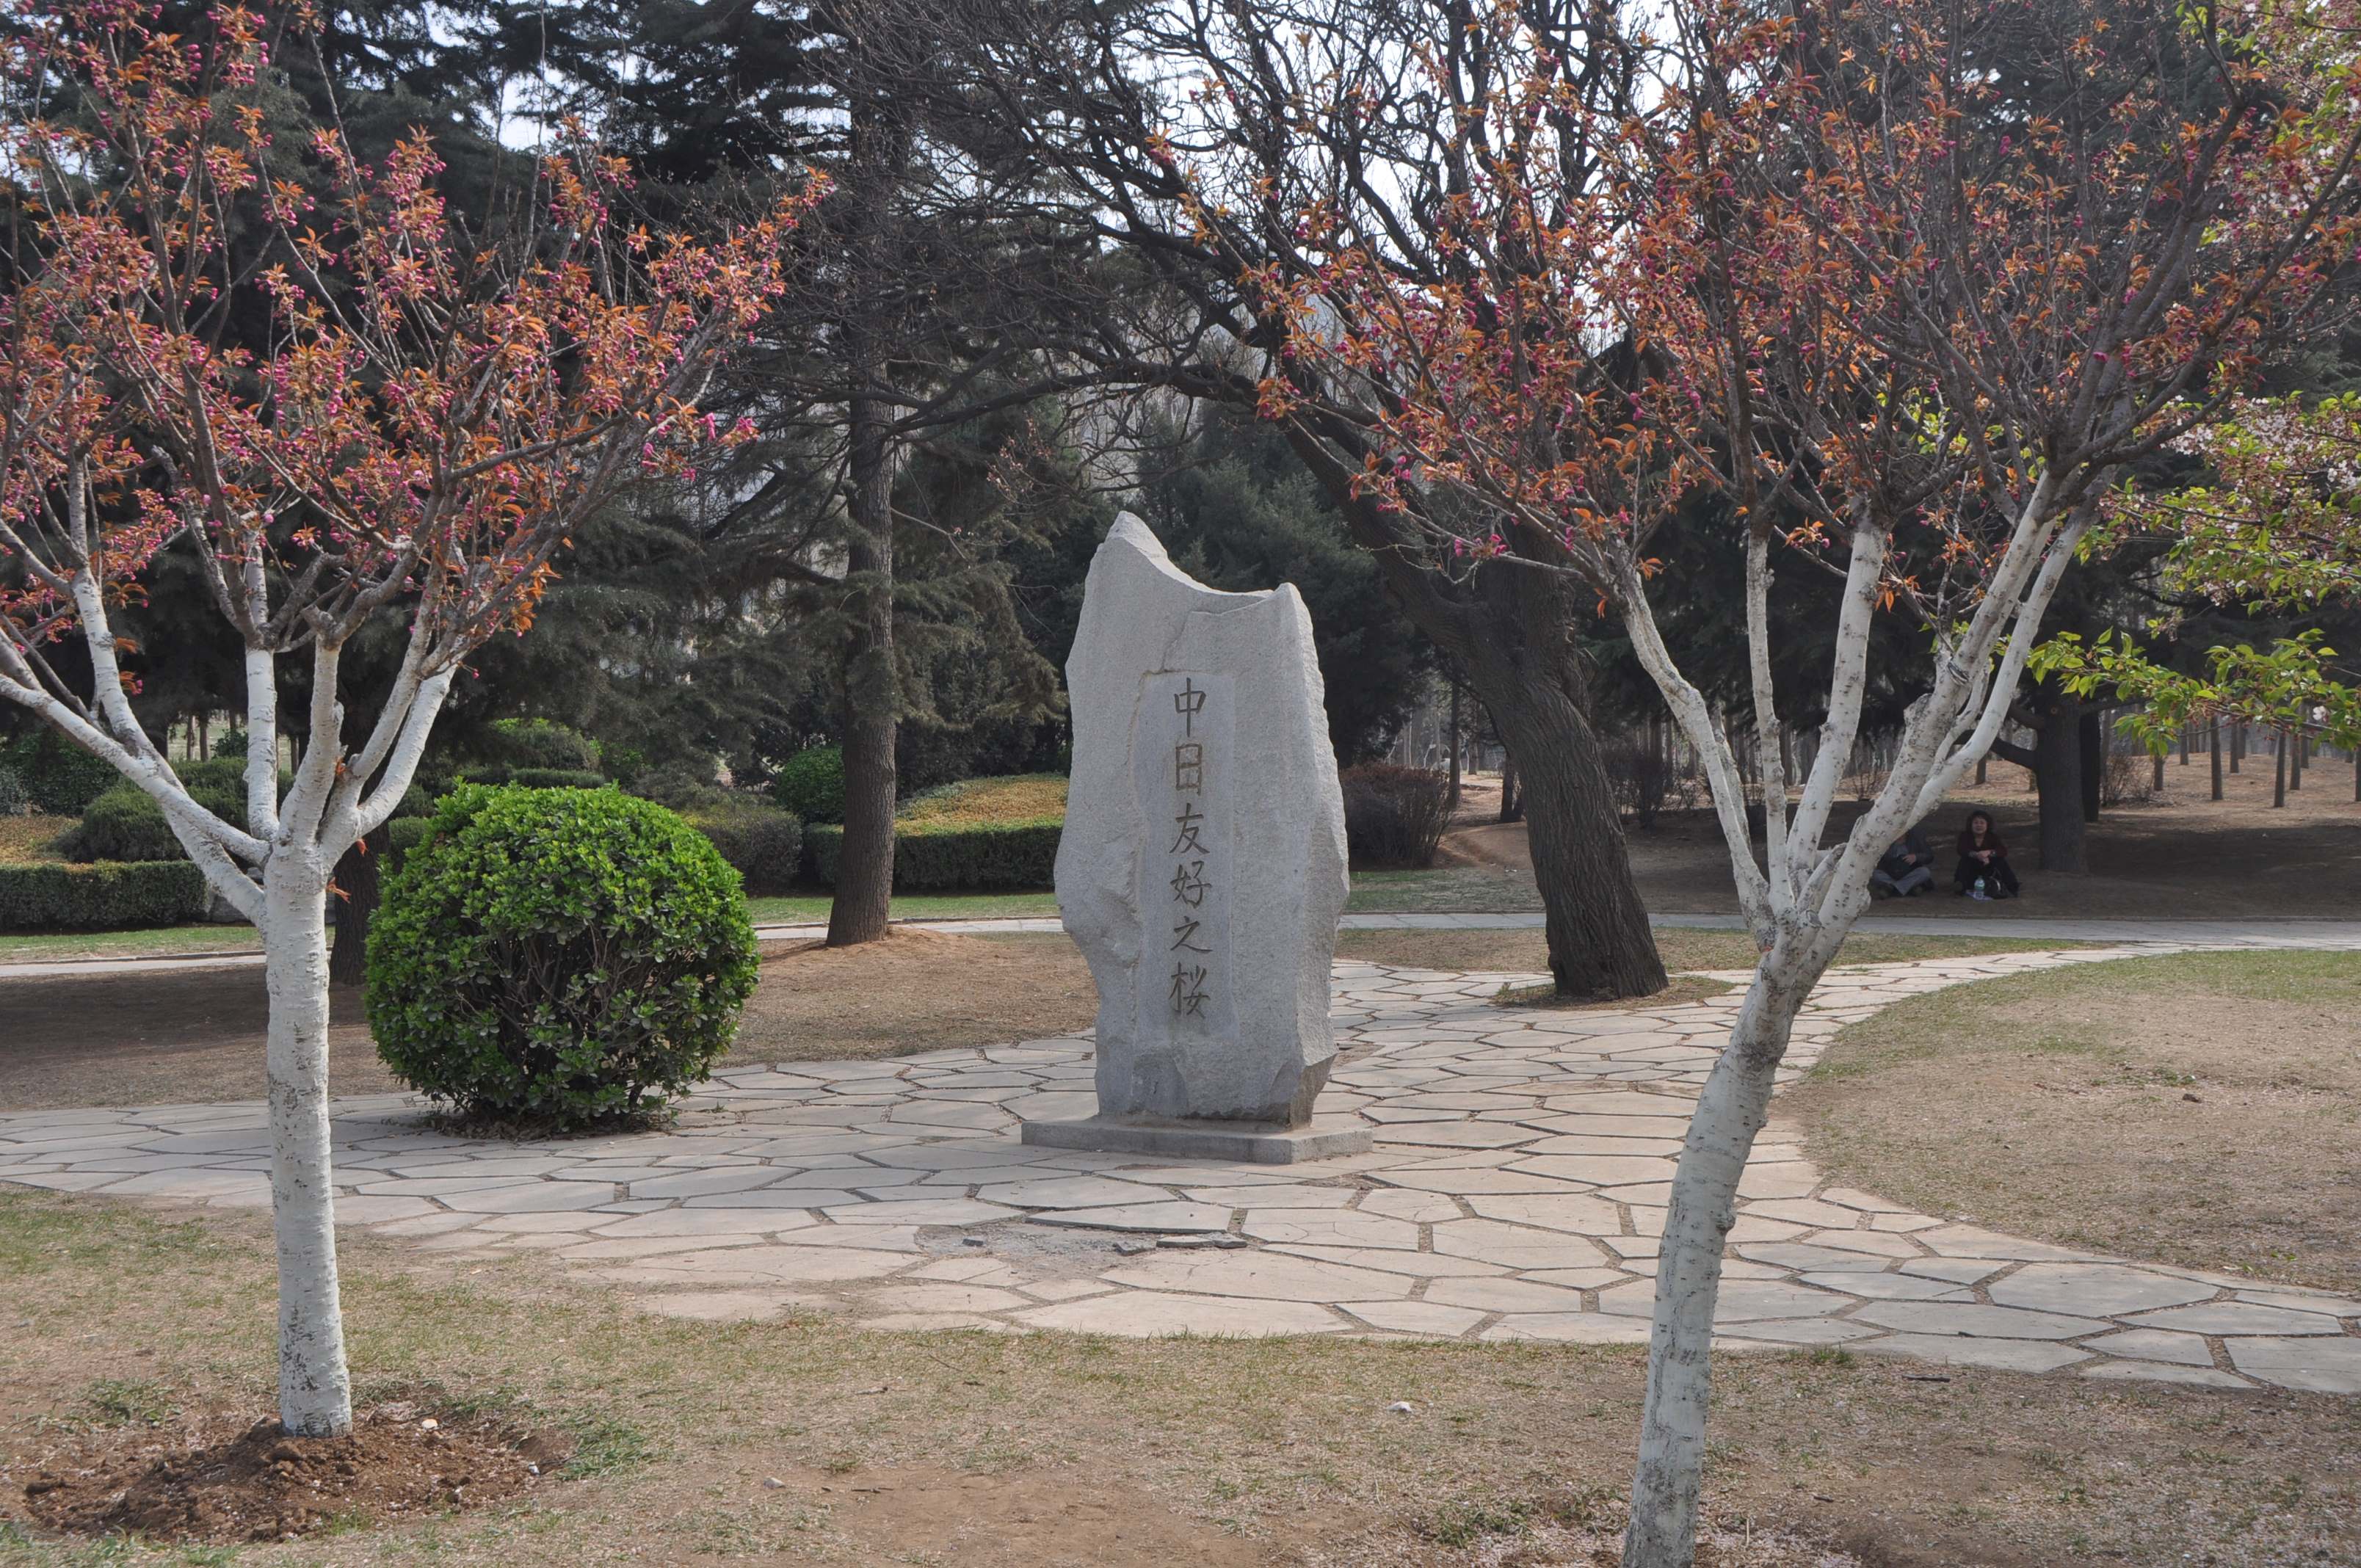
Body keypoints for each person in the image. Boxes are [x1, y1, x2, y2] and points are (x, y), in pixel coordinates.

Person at [1953, 810, 2020, 899]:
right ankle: (1960, 887)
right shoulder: (1965, 836)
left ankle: (2012, 886)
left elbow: (2003, 850)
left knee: (2000, 861)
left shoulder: (1992, 837)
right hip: (1971, 868)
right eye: (1976, 823)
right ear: (1971, 825)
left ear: (1987, 825)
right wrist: (1977, 855)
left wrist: (1989, 853)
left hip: (1988, 868)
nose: (1979, 825)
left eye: (1982, 823)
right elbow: (1961, 849)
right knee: (1965, 860)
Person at [1871, 826, 1935, 897]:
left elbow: (1929, 856)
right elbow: (1881, 858)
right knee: (1875, 874)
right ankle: (1908, 888)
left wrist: (1916, 857)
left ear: (1907, 832)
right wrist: (1895, 846)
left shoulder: (1916, 838)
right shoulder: (1888, 840)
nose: (1899, 835)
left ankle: (1892, 888)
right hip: (1891, 873)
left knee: (1925, 872)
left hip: (1910, 873)